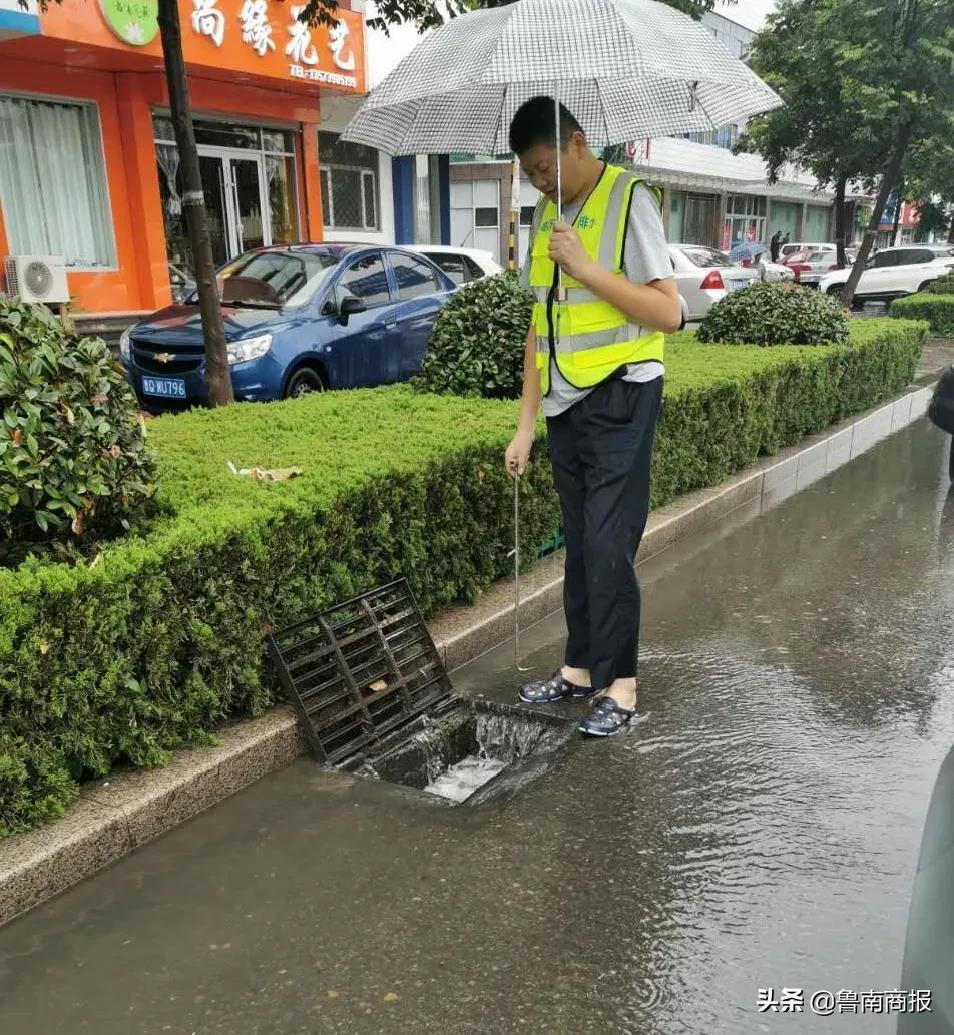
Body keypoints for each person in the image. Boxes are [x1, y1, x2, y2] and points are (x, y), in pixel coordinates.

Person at [504, 97, 681, 738]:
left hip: (622, 395)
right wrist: (525, 424)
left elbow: (669, 314)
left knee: (609, 543)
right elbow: (540, 325)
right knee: (580, 544)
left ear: (577, 143)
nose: (541, 182)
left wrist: (585, 267)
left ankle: (621, 686)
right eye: (531, 174)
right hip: (565, 403)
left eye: (546, 167)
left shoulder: (630, 199)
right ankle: (579, 669)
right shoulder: (546, 217)